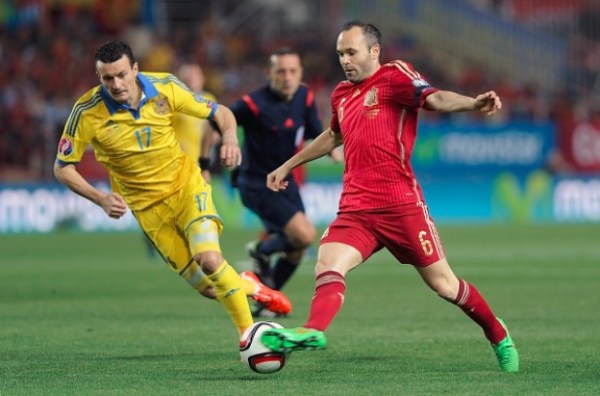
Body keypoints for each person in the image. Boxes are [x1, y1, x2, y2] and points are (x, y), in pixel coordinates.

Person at [260, 21, 519, 373]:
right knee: (327, 263)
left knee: (445, 285)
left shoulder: (396, 76)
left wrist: (473, 103)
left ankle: (497, 332)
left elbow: (436, 98)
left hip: (401, 206)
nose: (345, 61)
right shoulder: (340, 94)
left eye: (351, 52)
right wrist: (289, 164)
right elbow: (333, 136)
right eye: (340, 54)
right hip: (356, 208)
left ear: (374, 51)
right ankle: (313, 330)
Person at [53, 41, 291, 350]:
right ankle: (251, 286)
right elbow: (62, 168)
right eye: (107, 78)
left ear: (135, 69)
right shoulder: (86, 112)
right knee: (208, 287)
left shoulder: (165, 87)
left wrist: (230, 138)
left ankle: (250, 337)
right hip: (149, 213)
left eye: (122, 75)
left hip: (186, 188)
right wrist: (99, 198)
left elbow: (221, 113)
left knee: (209, 259)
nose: (116, 84)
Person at [229, 47, 341, 317]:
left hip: (286, 182)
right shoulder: (253, 103)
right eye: (281, 71)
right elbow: (223, 119)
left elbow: (316, 130)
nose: (287, 77)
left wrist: (333, 149)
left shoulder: (304, 96)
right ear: (269, 73)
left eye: (293, 71)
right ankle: (261, 249)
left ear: (300, 73)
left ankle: (267, 301)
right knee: (305, 234)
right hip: (256, 183)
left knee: (297, 250)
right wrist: (223, 147)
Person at [141, 62, 218, 259]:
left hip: (200, 163)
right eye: (187, 76)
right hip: (175, 162)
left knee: (197, 203)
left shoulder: (209, 100)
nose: (191, 79)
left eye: (195, 75)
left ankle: (200, 245)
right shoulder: (170, 101)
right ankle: (156, 235)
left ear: (202, 79)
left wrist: (215, 141)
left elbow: (214, 128)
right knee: (172, 206)